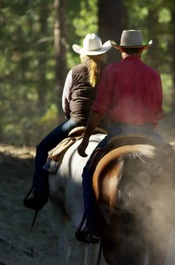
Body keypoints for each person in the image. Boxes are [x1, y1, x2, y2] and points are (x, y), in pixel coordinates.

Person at [75, 30, 175, 244]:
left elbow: (99, 108)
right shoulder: (153, 74)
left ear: (121, 49)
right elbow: (158, 111)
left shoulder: (111, 71)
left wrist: (87, 138)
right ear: (141, 50)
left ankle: (92, 223)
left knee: (88, 172)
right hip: (147, 132)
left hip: (117, 131)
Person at [23, 33, 111, 211]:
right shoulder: (109, 72)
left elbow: (65, 102)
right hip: (103, 125)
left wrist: (70, 117)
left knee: (42, 148)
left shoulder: (74, 71)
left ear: (83, 54)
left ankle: (40, 193)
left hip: (76, 122)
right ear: (102, 53)